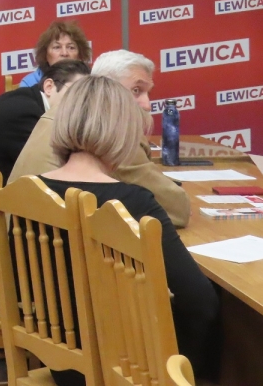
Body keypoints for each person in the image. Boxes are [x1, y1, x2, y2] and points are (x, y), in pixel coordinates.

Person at [38, 75, 220, 386]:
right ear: (124, 132)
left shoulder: (29, 191)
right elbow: (199, 301)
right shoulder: (134, 202)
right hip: (126, 369)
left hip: (60, 359)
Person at [9, 50, 190, 226]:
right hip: (61, 240)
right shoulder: (110, 130)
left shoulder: (59, 113)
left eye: (148, 93)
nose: (147, 105)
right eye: (136, 90)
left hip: (21, 237)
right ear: (105, 88)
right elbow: (176, 208)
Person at [0, 59, 90, 277]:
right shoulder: (27, 114)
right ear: (49, 86)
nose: (81, 106)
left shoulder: (25, 101)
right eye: (76, 95)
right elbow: (60, 166)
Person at [18, 20, 91, 87]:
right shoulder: (30, 83)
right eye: (57, 47)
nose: (64, 53)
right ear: (45, 54)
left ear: (80, 54)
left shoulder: (89, 81)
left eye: (71, 47)